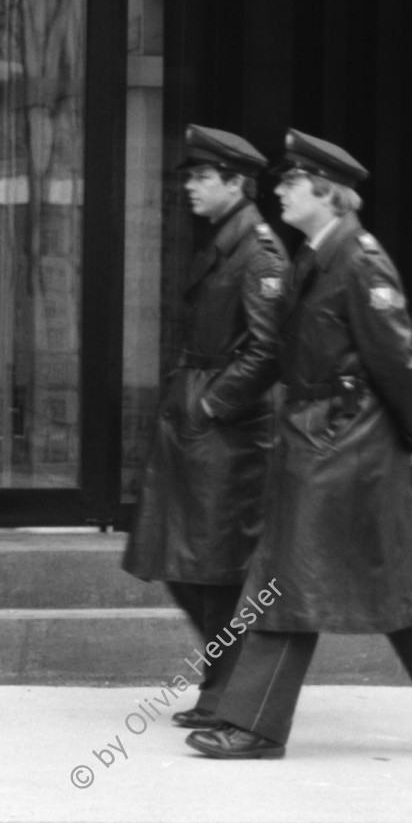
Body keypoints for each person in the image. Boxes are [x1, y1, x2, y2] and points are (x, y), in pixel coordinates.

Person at [186, 129, 412, 761]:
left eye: (291, 183)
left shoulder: (359, 258)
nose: (278, 190)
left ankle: (253, 726)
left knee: (284, 576)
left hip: (345, 441)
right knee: (393, 583)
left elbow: (402, 363)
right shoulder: (317, 254)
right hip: (326, 437)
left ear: (325, 193)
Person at [123, 124, 289, 726]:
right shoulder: (227, 240)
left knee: (215, 571)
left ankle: (227, 692)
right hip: (198, 423)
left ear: (237, 184)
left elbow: (267, 351)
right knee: (182, 562)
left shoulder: (259, 251)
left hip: (228, 430)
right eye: (189, 176)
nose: (190, 187)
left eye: (201, 177)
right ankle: (221, 684)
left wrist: (211, 406)